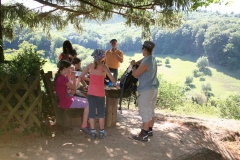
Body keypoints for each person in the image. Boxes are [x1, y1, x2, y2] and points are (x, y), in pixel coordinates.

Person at [80, 49, 118, 140]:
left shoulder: (90, 66)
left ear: (94, 57)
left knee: (91, 113)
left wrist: (90, 80)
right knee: (101, 113)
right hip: (100, 93)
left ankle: (93, 132)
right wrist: (116, 85)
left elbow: (81, 76)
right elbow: (112, 78)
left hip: (91, 92)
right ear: (102, 57)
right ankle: (101, 131)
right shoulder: (103, 67)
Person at [130, 41, 159, 142]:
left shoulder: (146, 62)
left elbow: (135, 74)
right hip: (154, 89)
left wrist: (133, 65)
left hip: (146, 90)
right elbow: (142, 61)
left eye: (142, 49)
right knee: (151, 110)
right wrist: (137, 62)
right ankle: (150, 130)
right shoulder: (152, 59)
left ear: (144, 49)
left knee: (145, 111)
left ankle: (144, 134)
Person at [54, 60, 90, 135]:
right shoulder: (63, 78)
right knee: (87, 104)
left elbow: (71, 90)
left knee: (86, 100)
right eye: (69, 68)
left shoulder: (61, 77)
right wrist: (73, 77)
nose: (70, 70)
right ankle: (84, 125)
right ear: (64, 69)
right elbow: (74, 88)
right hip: (66, 102)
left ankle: (86, 122)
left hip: (66, 100)